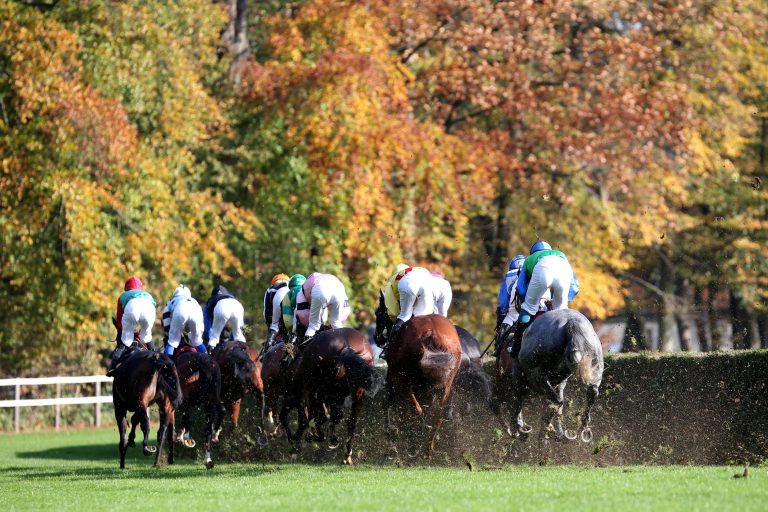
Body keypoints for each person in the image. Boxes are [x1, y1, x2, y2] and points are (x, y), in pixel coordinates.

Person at [510, 241, 579, 359]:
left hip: (543, 269)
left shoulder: (529, 259)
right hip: (564, 268)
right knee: (561, 312)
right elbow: (575, 287)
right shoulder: (560, 254)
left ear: (532, 252)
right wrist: (561, 301)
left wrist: (529, 302)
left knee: (528, 307)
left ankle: (516, 348)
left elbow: (521, 289)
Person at [379, 264, 434, 359]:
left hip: (409, 283)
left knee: (404, 315)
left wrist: (395, 319)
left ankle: (388, 349)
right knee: (421, 318)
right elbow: (429, 309)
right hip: (427, 280)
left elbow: (392, 310)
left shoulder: (392, 281)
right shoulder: (414, 270)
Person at [107, 276, 157, 376]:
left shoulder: (123, 295)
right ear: (141, 288)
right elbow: (152, 309)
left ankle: (112, 368)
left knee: (125, 341)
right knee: (147, 337)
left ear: (127, 288)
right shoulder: (148, 295)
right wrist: (144, 330)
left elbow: (120, 320)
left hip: (132, 310)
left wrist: (124, 332)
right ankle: (158, 359)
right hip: (149, 310)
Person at [290, 272, 351, 347]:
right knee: (336, 323)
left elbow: (303, 315)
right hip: (339, 290)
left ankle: (306, 348)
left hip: (321, 289)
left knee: (313, 326)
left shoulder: (304, 287)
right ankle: (346, 346)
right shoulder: (328, 277)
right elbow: (345, 311)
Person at [492, 254, 526, 357]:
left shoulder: (509, 276)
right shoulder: (533, 272)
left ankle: (497, 350)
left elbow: (503, 302)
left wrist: (501, 317)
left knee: (505, 323)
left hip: (514, 314)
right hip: (533, 310)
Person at [161, 284, 207, 357]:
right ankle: (207, 359)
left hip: (180, 309)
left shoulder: (171, 301)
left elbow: (166, 320)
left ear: (175, 294)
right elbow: (201, 320)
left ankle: (167, 365)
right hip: (196, 310)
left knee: (173, 341)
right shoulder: (194, 300)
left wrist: (169, 334)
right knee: (197, 340)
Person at [204, 284, 246, 349]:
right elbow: (243, 328)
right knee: (239, 337)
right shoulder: (233, 299)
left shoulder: (209, 303)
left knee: (213, 339)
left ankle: (209, 354)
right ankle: (244, 352)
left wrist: (208, 339)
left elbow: (206, 325)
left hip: (221, 308)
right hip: (237, 306)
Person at [262, 274, 290, 352]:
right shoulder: (291, 286)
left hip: (278, 301)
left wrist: (269, 323)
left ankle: (266, 352)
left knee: (274, 325)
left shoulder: (271, 289)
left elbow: (266, 312)